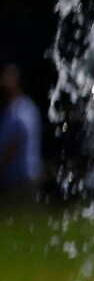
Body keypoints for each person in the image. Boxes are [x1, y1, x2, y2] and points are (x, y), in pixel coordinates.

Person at [0, 64, 42, 201]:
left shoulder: (24, 109)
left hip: (23, 178)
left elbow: (15, 142)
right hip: (12, 178)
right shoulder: (9, 109)